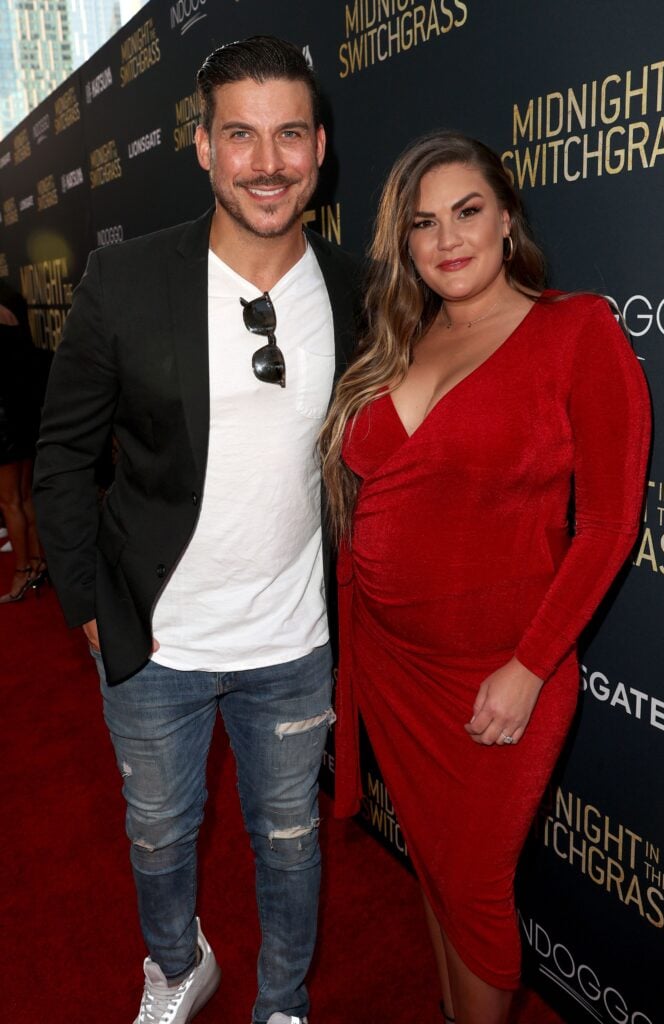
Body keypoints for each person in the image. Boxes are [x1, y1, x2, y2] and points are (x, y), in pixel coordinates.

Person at [34, 36, 360, 1024]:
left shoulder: (359, 287)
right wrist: (90, 610)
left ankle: (283, 1002)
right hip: (155, 642)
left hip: (295, 645)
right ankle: (176, 969)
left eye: (289, 134)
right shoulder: (124, 280)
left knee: (292, 842)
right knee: (159, 836)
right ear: (204, 148)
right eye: (241, 135)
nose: (267, 161)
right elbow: (61, 457)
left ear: (317, 148)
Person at [319, 131, 650, 1024]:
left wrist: (529, 664)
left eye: (467, 211)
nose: (446, 239)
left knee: (472, 886)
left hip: (498, 677)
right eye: (422, 224)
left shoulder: (574, 331)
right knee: (432, 864)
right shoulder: (404, 338)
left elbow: (611, 523)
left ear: (507, 218)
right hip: (393, 670)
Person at [0, 283, 48, 603]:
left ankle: (21, 570)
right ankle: (37, 561)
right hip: (24, 417)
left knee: (10, 502)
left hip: (4, 422)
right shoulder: (12, 308)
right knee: (26, 496)